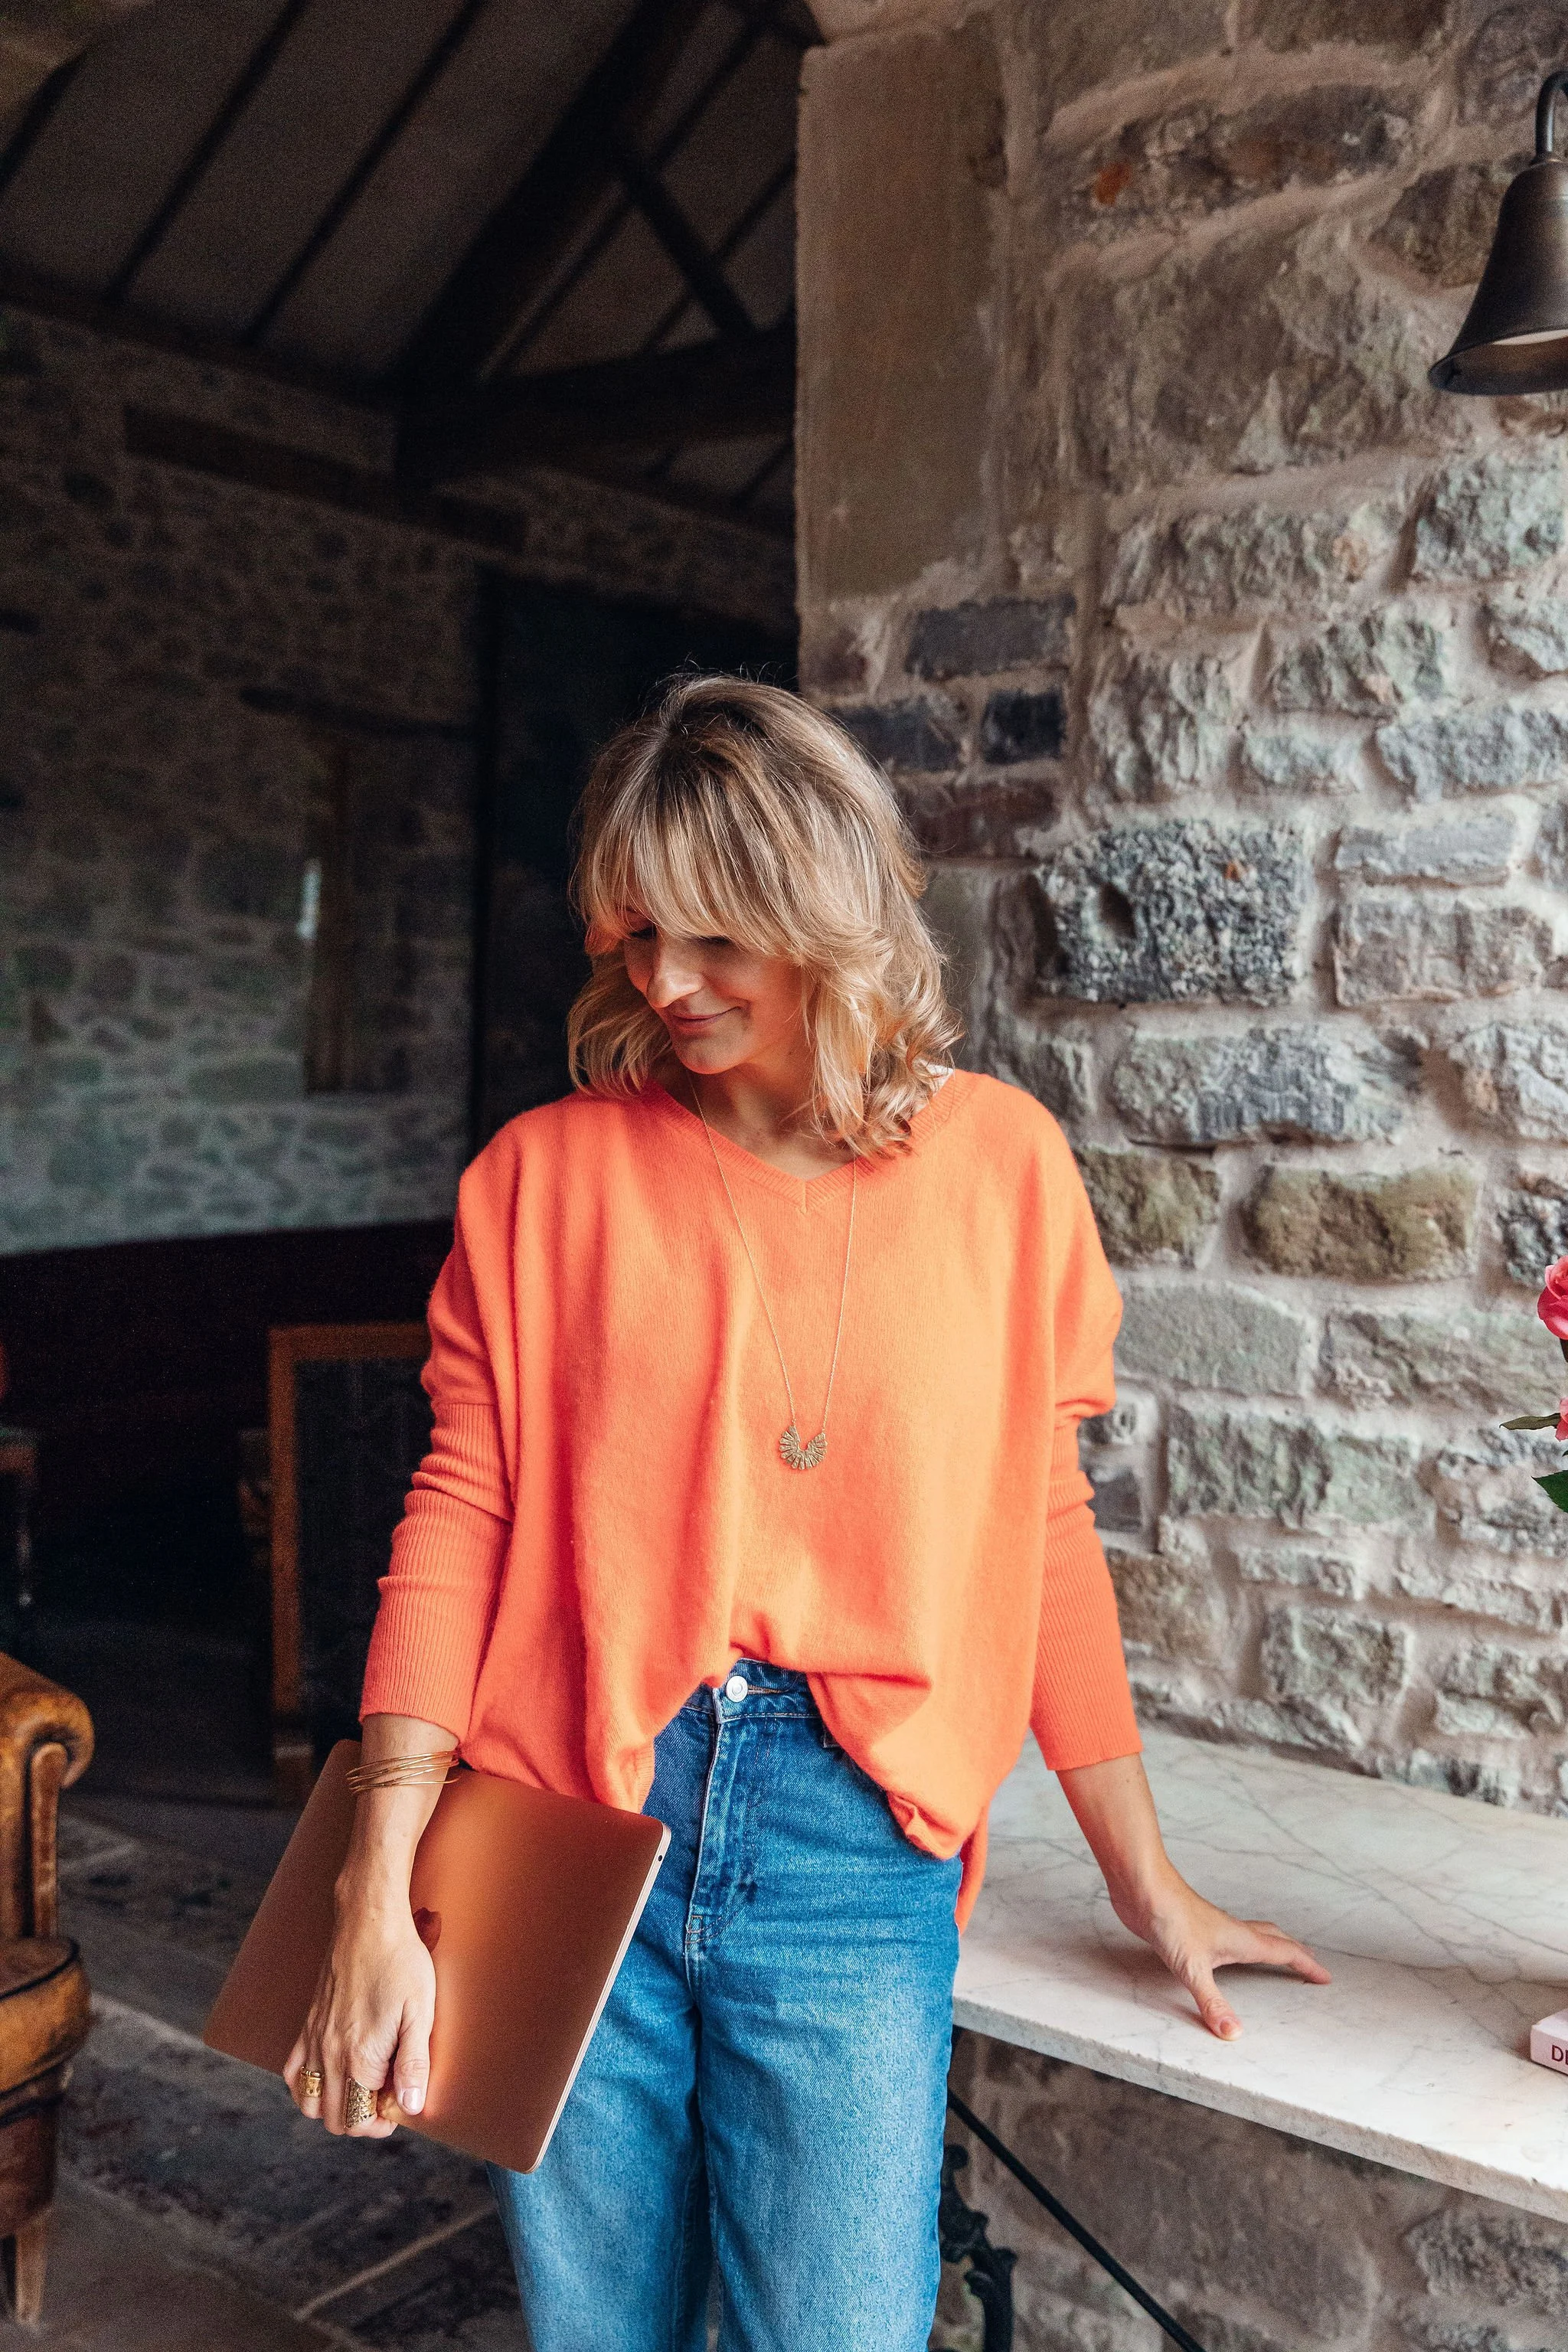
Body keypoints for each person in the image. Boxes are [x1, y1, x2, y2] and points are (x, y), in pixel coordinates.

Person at [286, 675, 1328, 2352]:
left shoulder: (1002, 1169)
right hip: (568, 1816)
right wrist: (372, 1881)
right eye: (632, 940)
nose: (663, 986)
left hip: (859, 1839)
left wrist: (1151, 1882)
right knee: (593, 2332)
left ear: (823, 912)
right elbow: (460, 1509)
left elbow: (1042, 1535)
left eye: (714, 941)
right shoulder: (542, 1181)